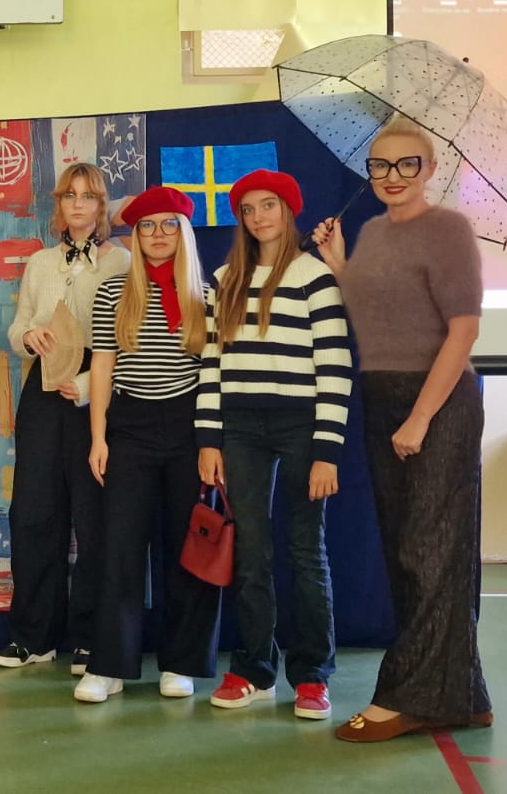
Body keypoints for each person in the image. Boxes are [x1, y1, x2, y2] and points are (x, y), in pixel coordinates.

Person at [312, 115, 491, 741]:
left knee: (429, 549)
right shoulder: (370, 232)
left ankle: (408, 697)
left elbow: (463, 331)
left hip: (437, 403)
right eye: (380, 166)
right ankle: (463, 695)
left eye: (406, 164)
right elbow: (377, 313)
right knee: (406, 553)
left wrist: (420, 417)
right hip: (381, 396)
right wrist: (340, 265)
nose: (392, 176)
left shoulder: (449, 230)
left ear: (429, 169)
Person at [196, 170, 350, 719]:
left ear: (288, 211)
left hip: (301, 425)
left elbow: (334, 365)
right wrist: (209, 439)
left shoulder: (315, 276)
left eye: (269, 205)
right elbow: (211, 364)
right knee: (250, 553)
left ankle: (311, 675)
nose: (259, 216)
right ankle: (254, 670)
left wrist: (327, 450)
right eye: (249, 208)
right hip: (239, 428)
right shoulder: (224, 279)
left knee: (306, 550)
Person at [73, 186, 222, 702]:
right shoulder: (115, 291)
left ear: (185, 232)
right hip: (130, 426)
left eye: (169, 224)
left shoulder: (207, 294)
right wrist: (98, 436)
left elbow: (214, 373)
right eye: (147, 226)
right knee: (119, 547)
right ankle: (110, 665)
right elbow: (102, 365)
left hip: (189, 425)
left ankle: (180, 662)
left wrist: (212, 442)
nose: (158, 234)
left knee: (186, 549)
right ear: (135, 236)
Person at [0, 162, 128, 673]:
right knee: (33, 514)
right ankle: (34, 635)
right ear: (59, 205)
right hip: (44, 393)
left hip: (96, 393)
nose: (77, 204)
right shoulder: (40, 262)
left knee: (93, 518)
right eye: (69, 196)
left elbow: (129, 340)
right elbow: (18, 327)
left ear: (100, 205)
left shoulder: (120, 262)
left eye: (87, 196)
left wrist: (93, 386)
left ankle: (90, 638)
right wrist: (29, 337)